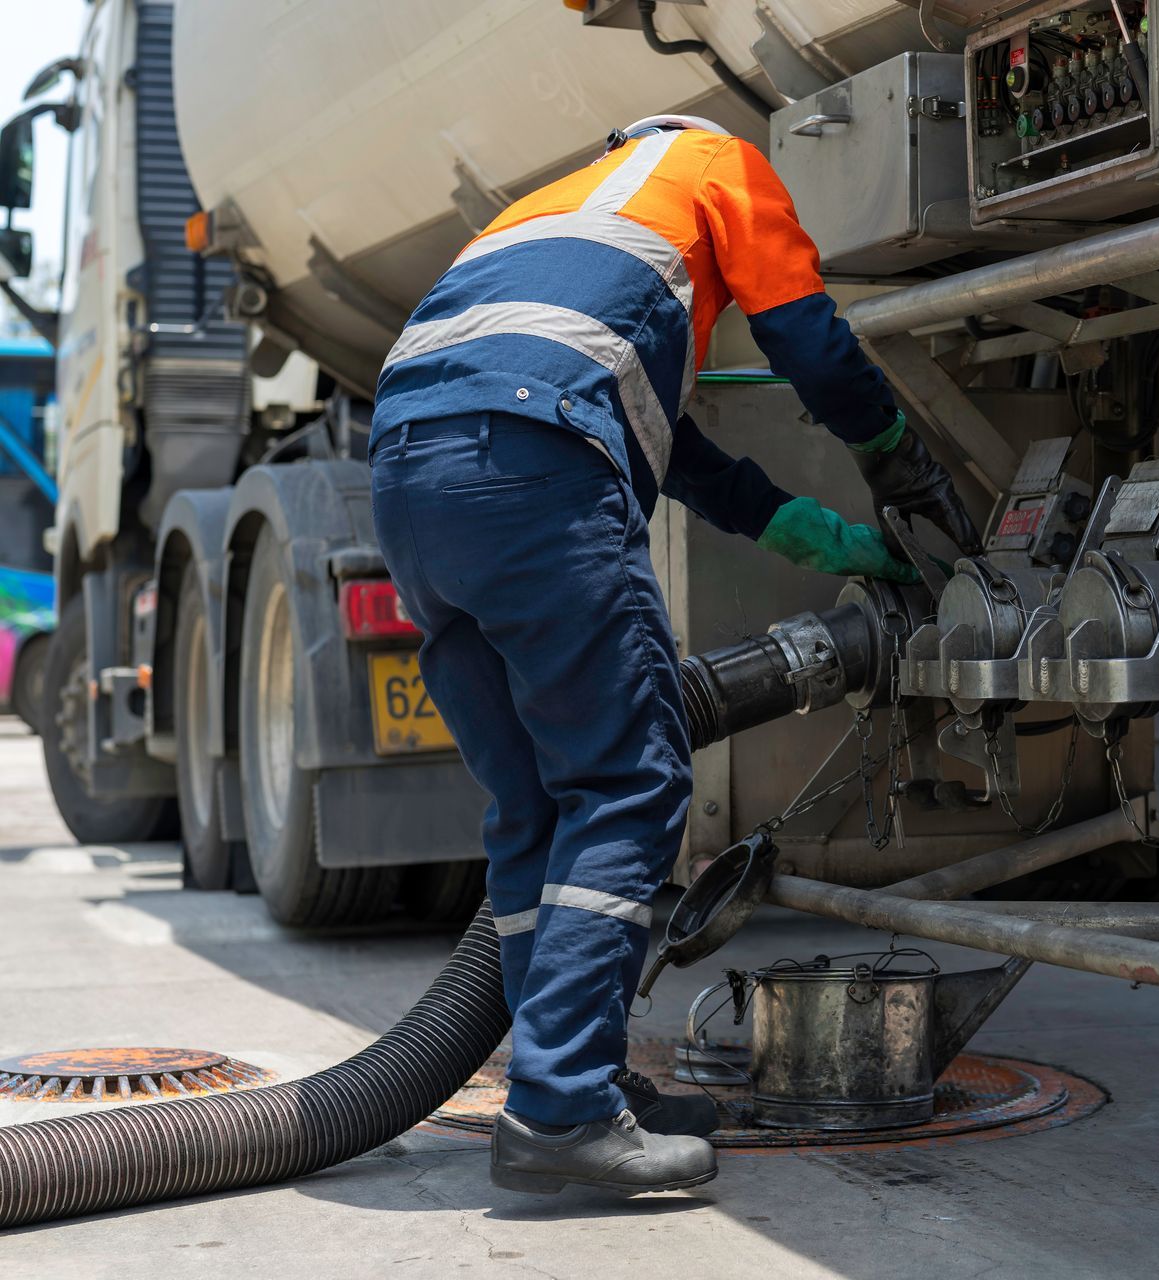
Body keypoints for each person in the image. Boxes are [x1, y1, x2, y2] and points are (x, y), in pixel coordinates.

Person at [368, 114, 979, 1197]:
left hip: (411, 478)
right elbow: (809, 339)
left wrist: (802, 528)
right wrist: (891, 454)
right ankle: (561, 1113)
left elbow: (664, 438)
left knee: (534, 806)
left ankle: (574, 1073)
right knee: (626, 781)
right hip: (531, 459)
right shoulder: (714, 163)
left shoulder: (552, 211)